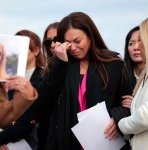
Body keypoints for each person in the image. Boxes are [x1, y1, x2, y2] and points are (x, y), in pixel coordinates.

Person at [44, 12, 132, 150]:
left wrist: (117, 119)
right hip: (65, 141)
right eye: (68, 43)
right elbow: (45, 101)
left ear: (91, 36)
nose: (73, 48)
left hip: (105, 140)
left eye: (78, 41)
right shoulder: (58, 65)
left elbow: (127, 103)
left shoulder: (113, 63)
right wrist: (59, 63)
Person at [0, 30, 45, 150]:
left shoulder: (43, 77)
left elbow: (26, 121)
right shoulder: (4, 78)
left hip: (30, 142)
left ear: (36, 50)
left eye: (23, 48)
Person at [118, 18, 148, 150]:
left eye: (141, 40)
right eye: (131, 43)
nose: (137, 47)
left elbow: (144, 117)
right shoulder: (122, 75)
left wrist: (120, 124)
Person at [36, 22, 60, 150]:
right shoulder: (45, 72)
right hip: (48, 139)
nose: (52, 45)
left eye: (56, 39)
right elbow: (38, 104)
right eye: (48, 42)